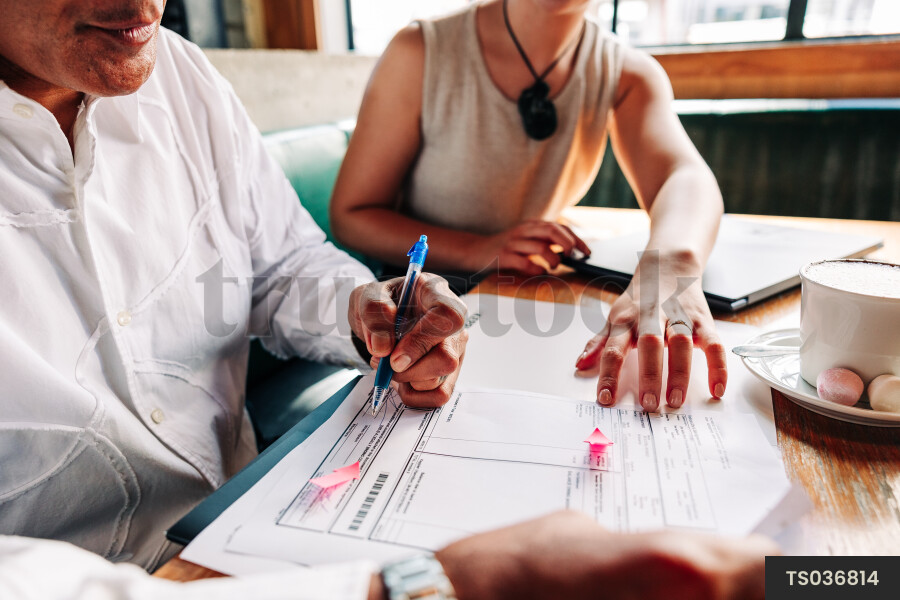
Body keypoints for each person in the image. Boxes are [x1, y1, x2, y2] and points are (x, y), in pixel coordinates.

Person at [0, 1, 774, 598]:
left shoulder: (181, 76)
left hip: (245, 520)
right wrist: (425, 585)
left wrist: (362, 307)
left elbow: (279, 266)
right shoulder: (426, 49)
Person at [330, 0, 728, 414]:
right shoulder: (420, 50)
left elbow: (685, 176)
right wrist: (478, 250)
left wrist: (670, 266)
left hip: (521, 294)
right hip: (415, 308)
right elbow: (351, 213)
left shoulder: (626, 73)